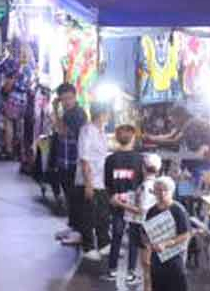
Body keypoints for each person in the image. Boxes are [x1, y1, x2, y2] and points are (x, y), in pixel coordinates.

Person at [106, 123, 146, 284]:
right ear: (133, 138)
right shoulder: (140, 159)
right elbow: (143, 183)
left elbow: (107, 183)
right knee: (134, 239)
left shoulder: (110, 160)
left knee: (116, 236)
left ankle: (112, 270)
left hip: (117, 202)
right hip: (134, 204)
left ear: (116, 138)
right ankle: (130, 273)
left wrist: (113, 197)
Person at [53, 83, 88, 247]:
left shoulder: (76, 114)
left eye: (69, 98)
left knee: (75, 197)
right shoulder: (68, 112)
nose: (66, 102)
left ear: (75, 97)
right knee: (70, 195)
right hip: (66, 161)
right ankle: (73, 227)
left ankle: (79, 231)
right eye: (63, 99)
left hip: (75, 162)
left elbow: (62, 131)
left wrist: (55, 111)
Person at [144, 176, 192, 291]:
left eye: (165, 190)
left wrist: (166, 243)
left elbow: (186, 234)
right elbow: (146, 233)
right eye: (159, 190)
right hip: (157, 259)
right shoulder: (151, 211)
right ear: (154, 192)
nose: (162, 193)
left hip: (174, 258)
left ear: (172, 191)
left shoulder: (178, 210)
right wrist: (148, 244)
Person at [78, 106, 112, 261]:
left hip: (101, 179)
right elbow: (84, 159)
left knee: (103, 214)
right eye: (108, 113)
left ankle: (104, 244)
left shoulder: (102, 131)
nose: (110, 116)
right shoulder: (87, 130)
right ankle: (88, 246)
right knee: (88, 215)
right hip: (89, 179)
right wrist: (88, 183)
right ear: (102, 114)